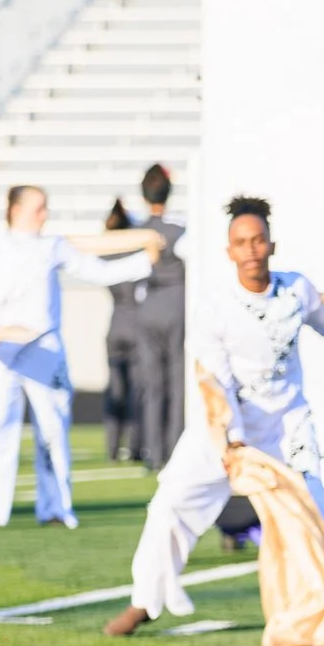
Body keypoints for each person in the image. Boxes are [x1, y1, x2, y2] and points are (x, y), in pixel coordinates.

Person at [104, 197, 324, 643]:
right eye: (241, 242)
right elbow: (213, 382)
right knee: (170, 503)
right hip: (222, 430)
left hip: (287, 427)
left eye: (258, 240)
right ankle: (145, 600)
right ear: (229, 251)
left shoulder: (297, 288)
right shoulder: (214, 307)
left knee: (317, 511)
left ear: (271, 245)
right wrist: (230, 443)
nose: (251, 250)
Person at [0, 186, 162, 532]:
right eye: (38, 208)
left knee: (52, 428)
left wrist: (144, 261)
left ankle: (56, 508)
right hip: (1, 347)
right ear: (15, 210)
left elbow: (97, 271)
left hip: (44, 348)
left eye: (45, 208)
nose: (44, 215)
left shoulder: (53, 246)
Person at [133, 163, 190, 470]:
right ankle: (176, 450)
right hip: (177, 305)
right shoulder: (180, 230)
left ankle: (153, 452)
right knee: (178, 380)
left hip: (147, 308)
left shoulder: (137, 232)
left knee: (151, 383)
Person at [101, 200, 144, 462]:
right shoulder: (134, 256)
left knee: (115, 389)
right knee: (136, 389)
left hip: (115, 324)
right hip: (136, 325)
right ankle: (135, 445)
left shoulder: (107, 255)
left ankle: (112, 445)